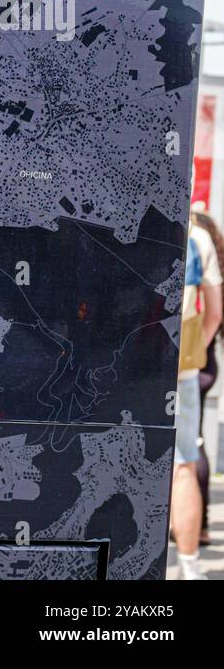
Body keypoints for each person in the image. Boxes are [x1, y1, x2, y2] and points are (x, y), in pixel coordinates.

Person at [173, 207, 222, 579]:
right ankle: (189, 568)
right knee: (185, 467)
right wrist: (194, 353)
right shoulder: (196, 234)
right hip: (181, 371)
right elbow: (215, 311)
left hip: (121, 368)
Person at [192, 208, 224, 544]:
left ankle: (197, 523)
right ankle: (198, 523)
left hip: (196, 361)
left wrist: (193, 351)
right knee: (194, 441)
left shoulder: (195, 250)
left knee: (190, 445)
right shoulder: (214, 262)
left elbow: (212, 315)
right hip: (205, 360)